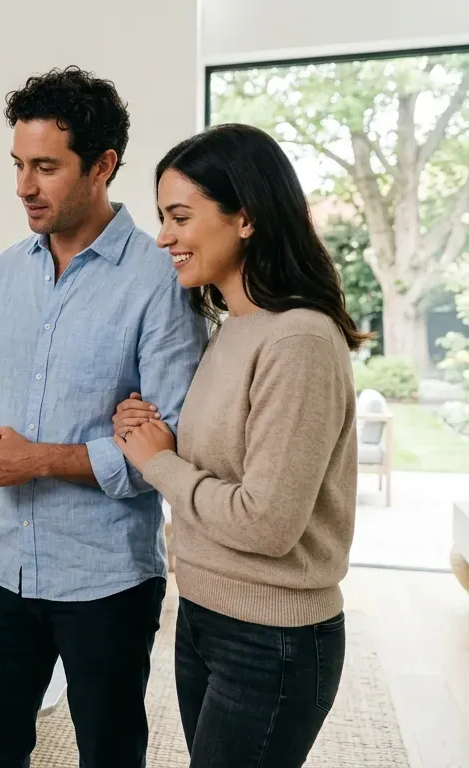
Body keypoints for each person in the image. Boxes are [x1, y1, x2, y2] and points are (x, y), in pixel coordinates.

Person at [0, 66, 208, 767]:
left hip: (107, 575)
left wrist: (36, 458)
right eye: (17, 165)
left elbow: (171, 435)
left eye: (45, 167)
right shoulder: (5, 271)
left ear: (103, 166)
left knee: (109, 753)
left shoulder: (163, 278)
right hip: (1, 563)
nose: (23, 187)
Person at [112, 122, 366, 768]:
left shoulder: (299, 341)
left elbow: (269, 521)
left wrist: (157, 461)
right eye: (163, 217)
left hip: (273, 639)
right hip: (204, 616)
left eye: (180, 217)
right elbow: (224, 463)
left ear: (245, 218)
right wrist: (163, 440)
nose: (163, 236)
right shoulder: (233, 327)